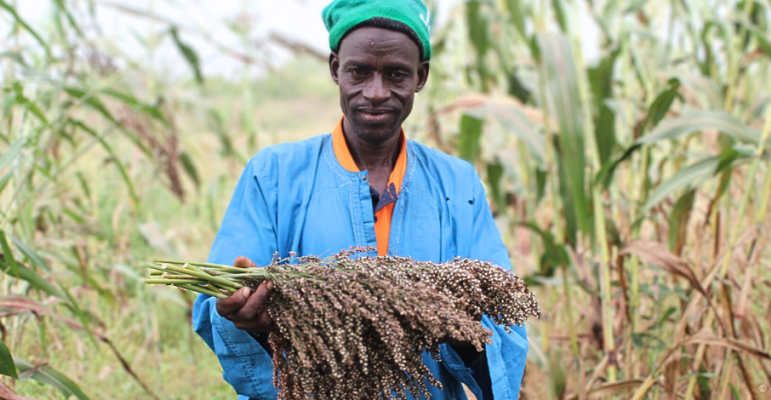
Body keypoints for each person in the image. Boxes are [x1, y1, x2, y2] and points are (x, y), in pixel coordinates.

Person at [191, 0, 528, 398]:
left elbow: (503, 326)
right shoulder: (274, 175)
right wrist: (245, 314)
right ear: (336, 69)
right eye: (359, 71)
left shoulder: (459, 185)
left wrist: (440, 318)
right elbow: (218, 307)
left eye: (396, 74)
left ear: (421, 77)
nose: (376, 92)